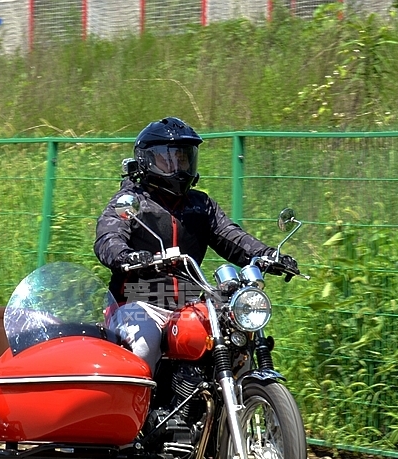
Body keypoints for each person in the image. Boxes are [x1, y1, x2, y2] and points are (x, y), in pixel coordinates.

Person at [94, 116, 297, 374]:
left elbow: (231, 236)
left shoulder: (201, 205)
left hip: (189, 304)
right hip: (138, 304)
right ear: (146, 161)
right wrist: (126, 257)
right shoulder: (131, 201)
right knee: (145, 345)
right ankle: (134, 413)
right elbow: (108, 237)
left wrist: (268, 255)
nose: (177, 166)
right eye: (166, 158)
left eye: (183, 158)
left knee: (235, 334)